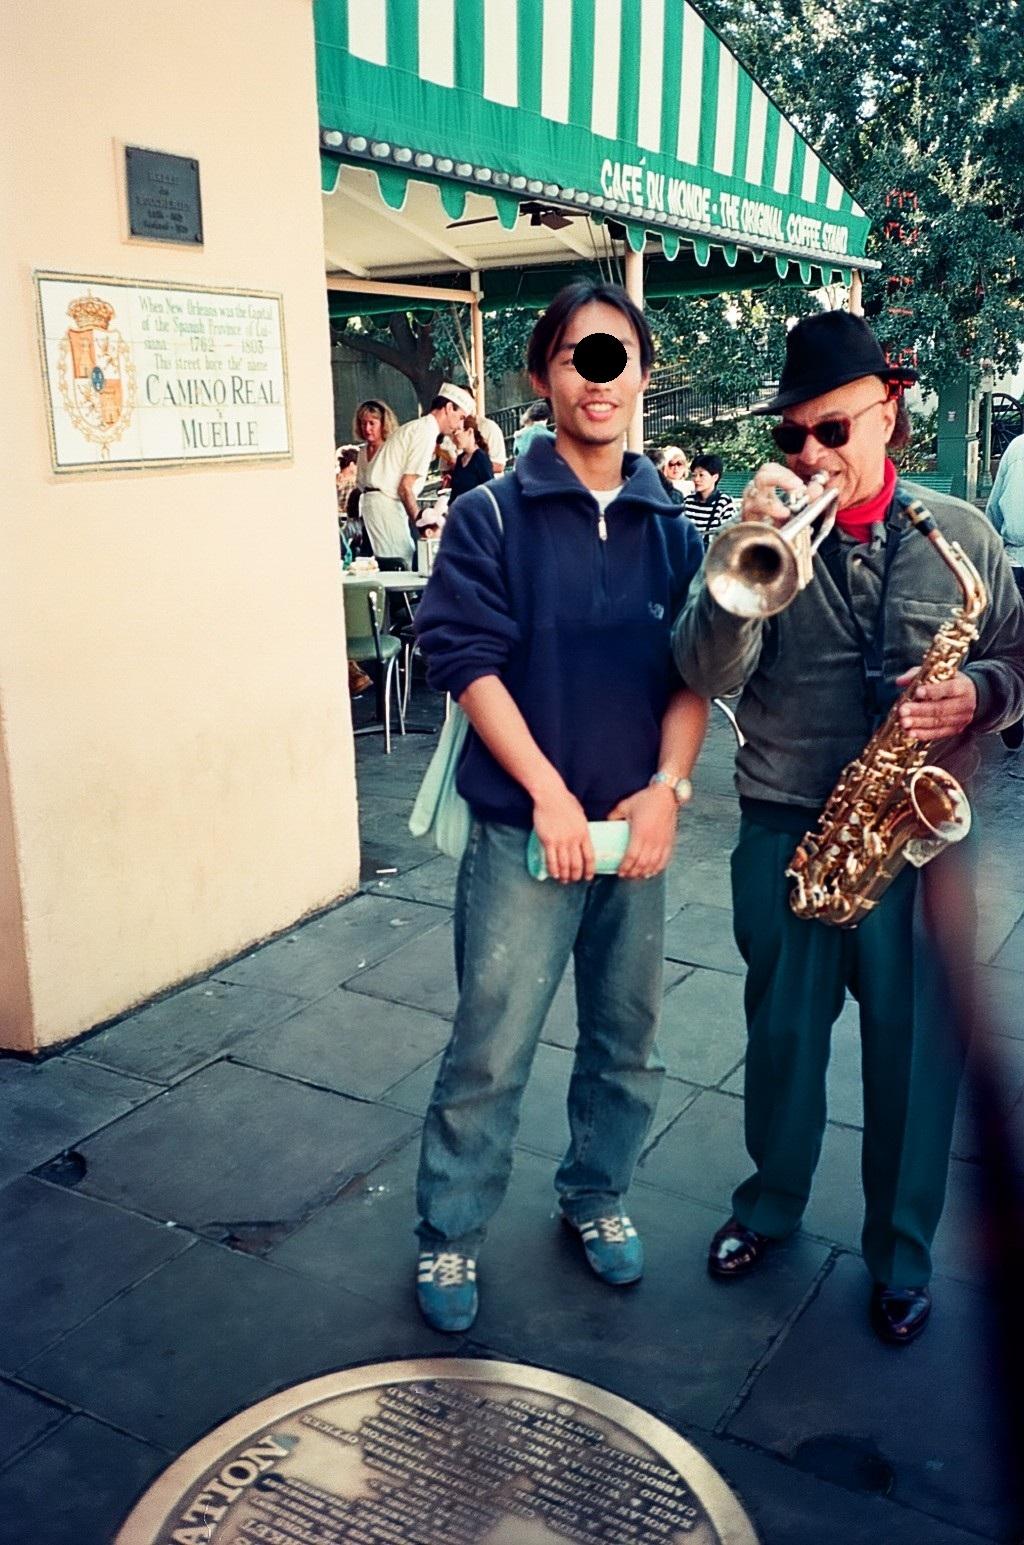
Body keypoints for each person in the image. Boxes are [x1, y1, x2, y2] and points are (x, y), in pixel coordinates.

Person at [673, 309, 1024, 1346]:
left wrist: (978, 695)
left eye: (832, 429)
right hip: (787, 826)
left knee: (914, 1062)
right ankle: (768, 1207)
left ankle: (900, 1256)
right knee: (781, 1042)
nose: (811, 454)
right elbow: (700, 669)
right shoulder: (761, 537)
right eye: (792, 436)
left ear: (888, 414)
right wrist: (743, 561)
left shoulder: (959, 533)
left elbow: (1016, 657)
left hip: (919, 838)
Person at [411, 281, 708, 1332]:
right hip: (524, 833)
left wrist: (668, 790)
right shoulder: (492, 513)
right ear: (543, 375)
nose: (599, 379)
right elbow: (464, 658)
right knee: (490, 1045)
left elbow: (695, 673)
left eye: (618, 357)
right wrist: (545, 794)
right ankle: (450, 1231)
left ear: (643, 376)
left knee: (629, 1039)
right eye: (580, 356)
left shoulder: (672, 526)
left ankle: (595, 1192)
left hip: (635, 832)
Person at [361, 385, 474, 563]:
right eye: (460, 417)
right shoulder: (426, 432)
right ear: (449, 408)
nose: (460, 425)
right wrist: (422, 525)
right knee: (401, 562)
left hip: (381, 502)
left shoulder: (420, 427)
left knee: (400, 559)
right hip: (384, 503)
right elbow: (405, 488)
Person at [985, 431, 1024, 747]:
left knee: (1013, 642)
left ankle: (1014, 720)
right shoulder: (1017, 447)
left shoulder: (1017, 447)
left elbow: (994, 512)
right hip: (1015, 560)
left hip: (1014, 560)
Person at [682, 453, 736, 547]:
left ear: (715, 477)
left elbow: (729, 537)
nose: (696, 479)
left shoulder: (724, 503)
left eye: (701, 475)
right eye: (694, 475)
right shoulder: (687, 501)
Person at [448, 416, 495, 503]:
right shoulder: (460, 459)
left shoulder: (481, 458)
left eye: (456, 433)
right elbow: (454, 492)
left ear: (469, 431)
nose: (454, 439)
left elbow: (489, 489)